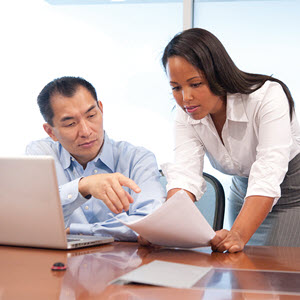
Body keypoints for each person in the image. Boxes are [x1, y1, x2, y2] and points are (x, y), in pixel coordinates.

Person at [160, 28, 300, 252]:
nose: (186, 98)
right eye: (176, 87)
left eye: (195, 84)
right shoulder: (187, 113)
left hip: (293, 192)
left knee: (276, 275)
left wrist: (238, 233)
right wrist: (162, 226)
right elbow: (185, 176)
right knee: (240, 266)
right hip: (244, 190)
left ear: (218, 74)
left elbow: (267, 173)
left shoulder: (268, 97)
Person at [26, 76, 164, 241]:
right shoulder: (42, 154)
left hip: (126, 262)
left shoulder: (137, 159)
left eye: (91, 115)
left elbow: (151, 223)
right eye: (70, 124)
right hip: (62, 263)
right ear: (50, 132)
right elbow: (34, 220)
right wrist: (82, 187)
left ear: (101, 109)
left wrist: (82, 231)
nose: (86, 131)